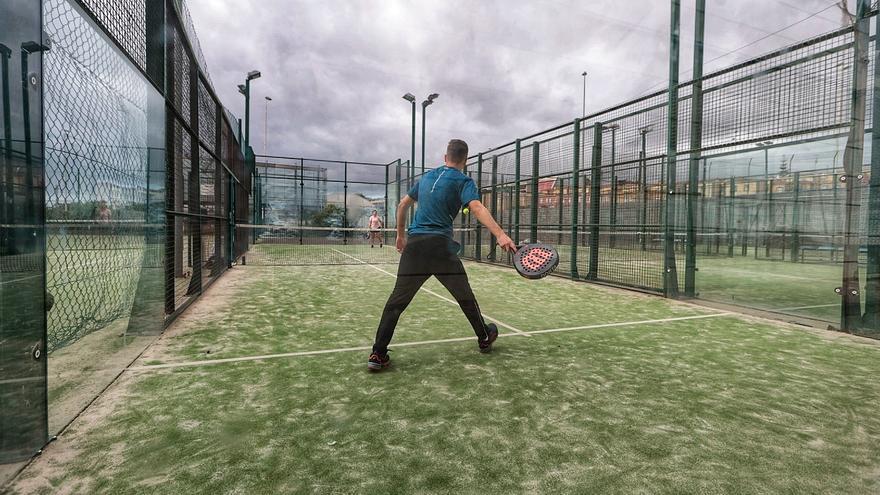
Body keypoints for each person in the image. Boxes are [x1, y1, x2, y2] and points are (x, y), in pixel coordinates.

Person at [368, 139, 516, 371]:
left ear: (445, 157)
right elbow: (476, 207)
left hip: (414, 247)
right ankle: (484, 337)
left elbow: (402, 205)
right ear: (465, 160)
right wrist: (500, 235)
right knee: (465, 297)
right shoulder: (464, 181)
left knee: (396, 302)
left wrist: (399, 236)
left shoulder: (427, 177)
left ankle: (377, 353)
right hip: (440, 249)